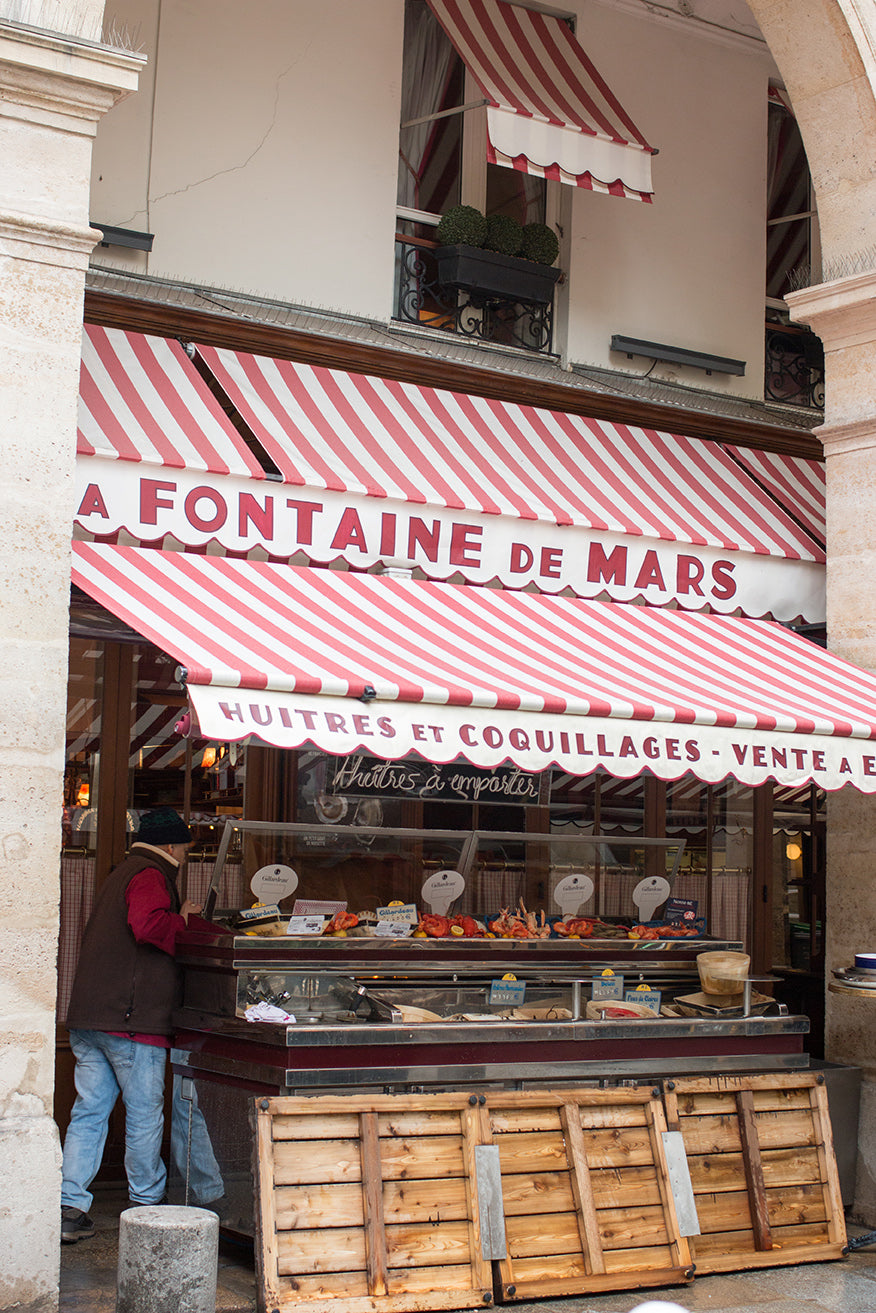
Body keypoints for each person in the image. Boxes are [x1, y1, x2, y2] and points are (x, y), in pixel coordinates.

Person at [60, 807, 219, 1243]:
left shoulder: (121, 871)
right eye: (185, 848)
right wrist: (185, 919)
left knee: (89, 1114)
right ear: (170, 845)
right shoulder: (151, 874)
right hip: (131, 1021)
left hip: (92, 1016)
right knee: (145, 1114)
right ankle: (146, 1207)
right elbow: (148, 926)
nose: (185, 856)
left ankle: (68, 1207)